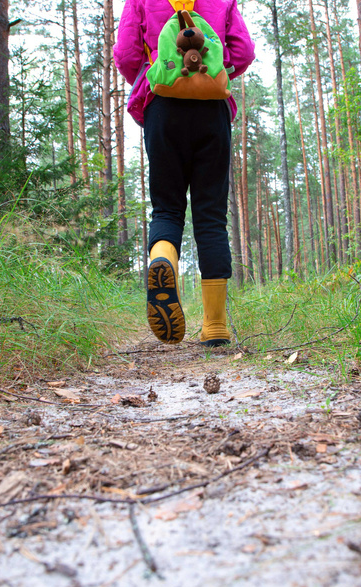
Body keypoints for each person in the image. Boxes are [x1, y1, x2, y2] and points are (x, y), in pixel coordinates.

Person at [114, 0, 255, 346]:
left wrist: (163, 76)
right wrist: (212, 73)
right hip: (211, 111)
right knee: (210, 217)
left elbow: (126, 54)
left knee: (167, 208)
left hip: (163, 109)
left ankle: (162, 260)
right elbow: (245, 51)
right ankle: (216, 326)